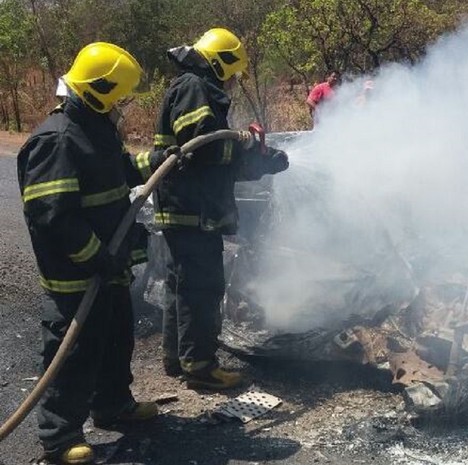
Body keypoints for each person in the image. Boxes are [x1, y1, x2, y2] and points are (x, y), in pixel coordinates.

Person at [17, 42, 166, 465]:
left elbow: (121, 170)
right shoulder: (58, 141)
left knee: (116, 339)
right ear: (100, 90)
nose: (124, 105)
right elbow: (54, 218)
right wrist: (98, 255)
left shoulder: (95, 128)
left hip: (108, 268)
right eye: (120, 97)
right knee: (74, 355)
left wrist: (157, 159)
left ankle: (113, 405)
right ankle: (59, 437)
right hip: (76, 276)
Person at [152, 28, 289, 390]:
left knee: (182, 286)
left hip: (186, 206)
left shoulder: (190, 86)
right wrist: (247, 152)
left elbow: (214, 156)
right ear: (219, 62)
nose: (232, 82)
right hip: (192, 209)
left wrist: (260, 162)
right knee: (202, 287)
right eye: (232, 73)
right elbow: (203, 148)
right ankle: (200, 365)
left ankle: (178, 357)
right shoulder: (196, 88)